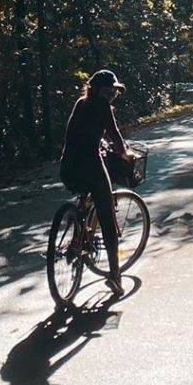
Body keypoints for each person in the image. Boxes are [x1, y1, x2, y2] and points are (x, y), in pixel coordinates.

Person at [59, 69, 130, 298]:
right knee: (107, 218)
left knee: (86, 197)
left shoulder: (81, 103)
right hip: (90, 167)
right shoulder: (102, 106)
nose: (112, 95)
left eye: (115, 92)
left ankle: (76, 240)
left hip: (67, 167)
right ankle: (115, 276)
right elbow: (115, 136)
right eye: (110, 90)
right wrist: (124, 154)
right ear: (98, 89)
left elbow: (79, 134)